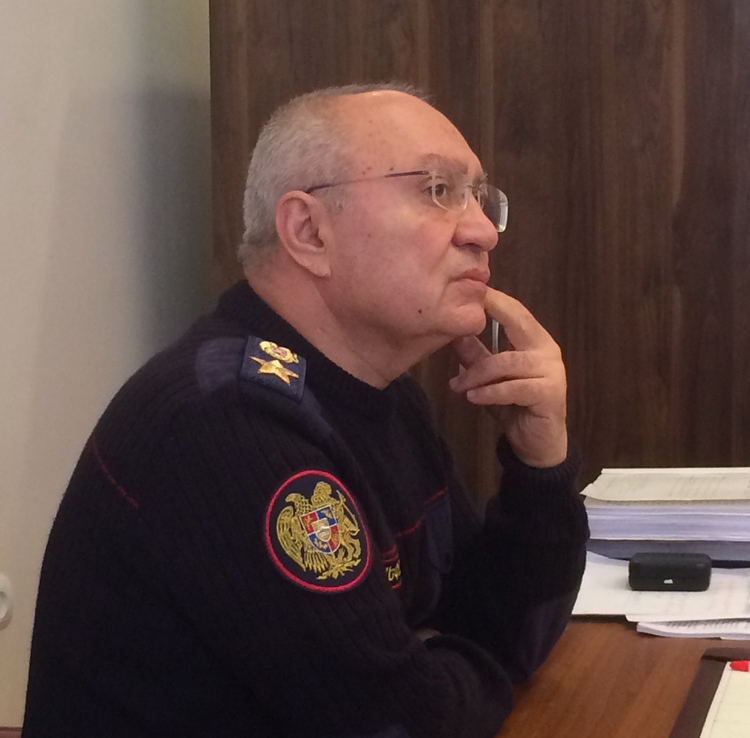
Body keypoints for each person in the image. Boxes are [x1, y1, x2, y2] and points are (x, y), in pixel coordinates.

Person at [22, 82, 588, 738]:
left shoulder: (382, 394)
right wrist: (450, 662)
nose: (483, 231)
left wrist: (539, 465)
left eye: (480, 197)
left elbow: (503, 626)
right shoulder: (223, 422)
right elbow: (404, 722)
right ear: (309, 231)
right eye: (437, 190)